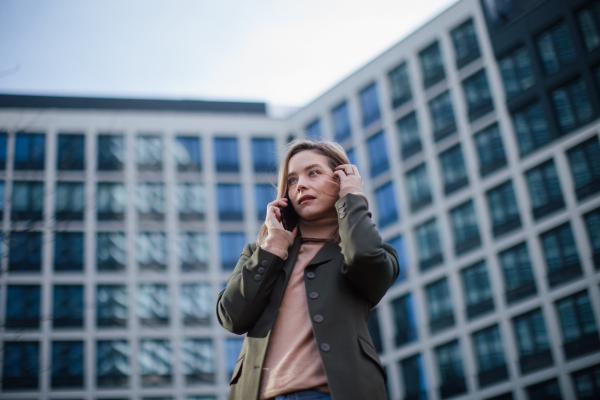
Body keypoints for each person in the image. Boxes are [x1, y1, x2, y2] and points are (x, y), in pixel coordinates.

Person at [217, 140, 399, 400]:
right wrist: (273, 247)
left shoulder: (372, 251)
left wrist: (353, 197)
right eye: (292, 180)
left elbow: (364, 257)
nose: (300, 184)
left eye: (313, 173)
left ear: (341, 179)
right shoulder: (260, 253)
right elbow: (231, 316)